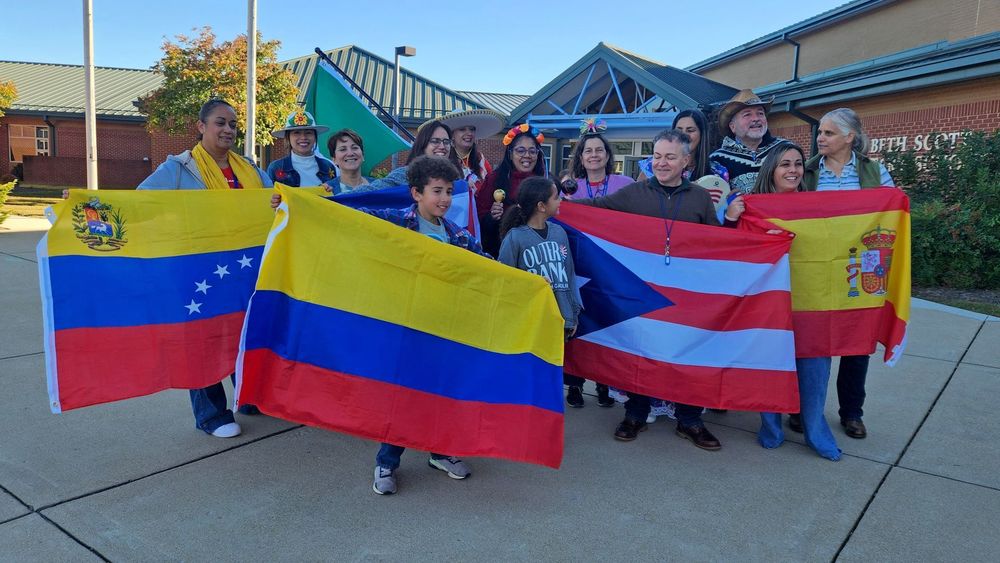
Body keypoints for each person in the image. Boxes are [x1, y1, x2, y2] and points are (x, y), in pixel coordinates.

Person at [574, 129, 722, 451]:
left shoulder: (698, 197)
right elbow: (593, 209)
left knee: (686, 356)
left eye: (670, 157)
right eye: (656, 156)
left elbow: (717, 244)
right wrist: (552, 206)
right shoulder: (634, 193)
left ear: (686, 160)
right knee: (641, 353)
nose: (662, 163)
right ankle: (636, 413)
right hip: (642, 293)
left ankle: (690, 419)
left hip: (686, 295)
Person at [138, 98, 273, 438]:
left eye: (232, 124)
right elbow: (141, 203)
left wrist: (280, 201)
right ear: (201, 127)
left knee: (243, 332)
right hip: (199, 273)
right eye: (220, 122)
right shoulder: (179, 169)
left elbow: (276, 204)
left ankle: (248, 395)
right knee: (204, 338)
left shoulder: (251, 170)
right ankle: (211, 415)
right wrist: (85, 203)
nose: (228, 129)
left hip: (243, 271)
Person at [362, 156, 487, 495]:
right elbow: (347, 219)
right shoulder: (397, 223)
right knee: (405, 398)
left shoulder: (458, 236)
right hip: (407, 329)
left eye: (448, 191)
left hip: (446, 329)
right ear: (416, 193)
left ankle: (441, 451)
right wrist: (295, 204)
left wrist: (528, 283)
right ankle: (387, 461)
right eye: (436, 191)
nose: (445, 198)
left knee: (443, 394)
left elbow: (488, 269)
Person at [723, 141, 841, 461]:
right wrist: (733, 219)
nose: (793, 170)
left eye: (798, 164)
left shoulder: (816, 206)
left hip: (812, 298)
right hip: (768, 300)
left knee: (815, 365)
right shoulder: (752, 205)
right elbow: (728, 248)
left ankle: (815, 431)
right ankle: (770, 427)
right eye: (785, 164)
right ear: (771, 170)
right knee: (770, 363)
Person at [799, 107, 896, 441]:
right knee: (814, 340)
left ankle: (852, 413)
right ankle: (806, 410)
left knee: (857, 342)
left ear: (849, 137)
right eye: (820, 132)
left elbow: (891, 213)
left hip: (863, 264)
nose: (820, 138)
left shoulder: (875, 171)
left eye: (827, 133)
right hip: (818, 265)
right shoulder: (808, 173)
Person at [497, 177, 585, 406]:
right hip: (531, 322)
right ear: (541, 205)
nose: (561, 201)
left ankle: (548, 422)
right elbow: (504, 280)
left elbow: (569, 274)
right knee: (529, 376)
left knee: (552, 375)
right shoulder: (515, 237)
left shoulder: (559, 233)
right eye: (556, 197)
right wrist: (529, 283)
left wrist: (572, 312)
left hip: (558, 320)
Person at [477, 124, 547, 256]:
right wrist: (492, 216)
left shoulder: (545, 180)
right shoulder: (494, 179)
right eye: (520, 150)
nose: (527, 155)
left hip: (537, 252)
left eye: (532, 151)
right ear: (510, 154)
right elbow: (479, 218)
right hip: (501, 251)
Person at [709, 89, 787, 196]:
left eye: (760, 113)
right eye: (747, 115)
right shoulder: (717, 160)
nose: (755, 119)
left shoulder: (784, 150)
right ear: (732, 126)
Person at [366, 120, 463, 191]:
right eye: (435, 141)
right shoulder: (404, 174)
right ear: (423, 145)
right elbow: (370, 190)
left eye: (446, 142)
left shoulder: (455, 179)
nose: (442, 146)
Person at [438, 109, 506, 195]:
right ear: (452, 135)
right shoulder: (444, 160)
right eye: (462, 129)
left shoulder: (481, 161)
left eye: (472, 129)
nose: (469, 133)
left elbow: (490, 189)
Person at [564, 119, 634, 201]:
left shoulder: (626, 184)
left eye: (599, 150)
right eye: (588, 151)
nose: (594, 155)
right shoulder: (569, 189)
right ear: (581, 158)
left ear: (607, 156)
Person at [639, 109, 714, 183]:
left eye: (690, 130)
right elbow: (636, 193)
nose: (684, 135)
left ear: (702, 134)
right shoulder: (654, 166)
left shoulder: (715, 171)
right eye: (679, 130)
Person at [265, 110, 335, 187]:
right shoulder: (276, 168)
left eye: (308, 132)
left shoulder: (328, 167)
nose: (303, 137)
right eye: (297, 133)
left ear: (315, 137)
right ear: (288, 138)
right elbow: (268, 197)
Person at [325, 128, 372, 194]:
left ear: (363, 155)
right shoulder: (326, 190)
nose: (350, 153)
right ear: (334, 159)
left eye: (354, 148)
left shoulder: (381, 187)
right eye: (343, 149)